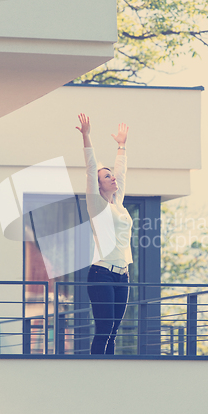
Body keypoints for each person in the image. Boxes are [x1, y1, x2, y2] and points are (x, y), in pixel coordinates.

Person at [76, 113, 133, 355]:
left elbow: (121, 174)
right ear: (98, 185)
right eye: (107, 176)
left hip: (122, 276)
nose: (113, 178)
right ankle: (96, 371)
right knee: (104, 328)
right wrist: (86, 136)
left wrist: (121, 146)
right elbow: (91, 170)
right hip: (101, 274)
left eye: (111, 175)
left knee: (114, 331)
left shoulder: (117, 204)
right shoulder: (97, 206)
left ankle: (109, 372)